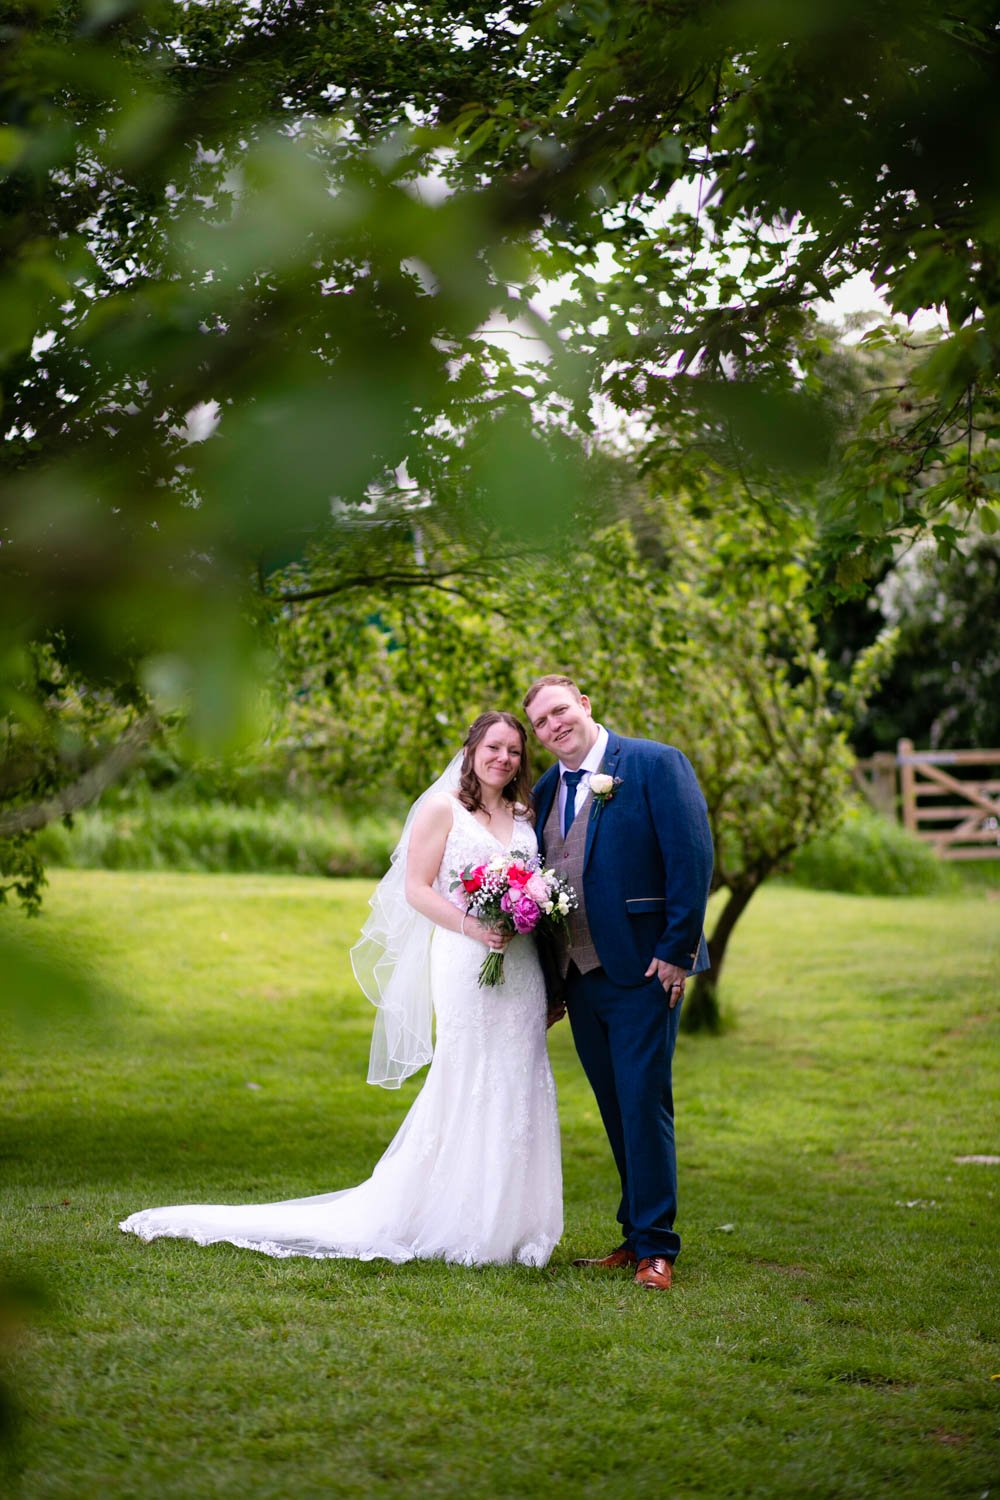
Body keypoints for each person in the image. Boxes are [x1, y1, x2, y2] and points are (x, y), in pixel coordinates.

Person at [120, 712, 562, 1268]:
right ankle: (461, 1220)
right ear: (472, 748)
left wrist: (527, 910)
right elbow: (416, 890)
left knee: (520, 1077)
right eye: (494, 746)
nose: (504, 758)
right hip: (465, 956)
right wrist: (474, 926)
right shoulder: (441, 808)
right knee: (470, 1076)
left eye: (515, 752)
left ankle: (516, 1226)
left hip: (519, 967)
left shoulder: (524, 814)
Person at [523, 675, 713, 1291]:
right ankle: (634, 1238)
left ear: (583, 704)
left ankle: (658, 1248)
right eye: (541, 723)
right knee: (614, 1107)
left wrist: (677, 950)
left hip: (645, 969)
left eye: (559, 711)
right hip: (581, 979)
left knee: (643, 1101)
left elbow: (691, 857)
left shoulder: (655, 764)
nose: (554, 726)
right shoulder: (549, 789)